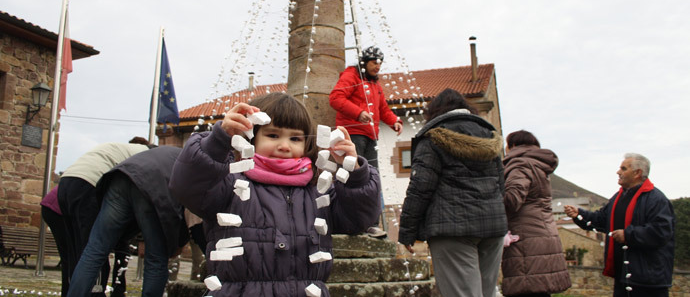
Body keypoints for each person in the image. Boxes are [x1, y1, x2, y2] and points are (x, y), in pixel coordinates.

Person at [170, 92, 381, 296]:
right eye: (272, 135)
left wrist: (356, 174)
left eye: (295, 139)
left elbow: (359, 219)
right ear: (251, 138)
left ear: (307, 144)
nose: (284, 146)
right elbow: (187, 186)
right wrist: (217, 142)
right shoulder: (229, 184)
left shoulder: (320, 191)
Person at [398, 88, 507, 297]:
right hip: (493, 229)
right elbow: (501, 185)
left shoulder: (433, 138)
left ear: (435, 111)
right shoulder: (490, 137)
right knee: (486, 293)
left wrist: (407, 232)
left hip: (452, 229)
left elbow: (420, 188)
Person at [66, 145, 189, 297]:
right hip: (153, 184)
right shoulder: (198, 165)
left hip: (121, 178)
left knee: (95, 250)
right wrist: (178, 243)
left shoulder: (173, 153)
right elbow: (181, 212)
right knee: (156, 258)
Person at [564, 153, 675, 297]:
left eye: (623, 168)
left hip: (648, 281)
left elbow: (661, 232)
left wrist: (628, 235)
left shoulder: (656, 199)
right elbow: (601, 220)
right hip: (623, 277)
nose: (618, 172)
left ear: (637, 173)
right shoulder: (618, 197)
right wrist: (579, 214)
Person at [57, 138, 150, 295]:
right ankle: (95, 293)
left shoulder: (124, 149)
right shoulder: (149, 156)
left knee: (78, 251)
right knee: (95, 251)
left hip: (66, 182)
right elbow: (143, 197)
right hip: (89, 184)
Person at [329, 45, 402, 239]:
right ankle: (349, 219)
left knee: (371, 178)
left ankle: (371, 224)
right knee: (350, 177)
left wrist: (394, 121)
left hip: (370, 136)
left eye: (380, 63)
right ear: (364, 62)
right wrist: (358, 112)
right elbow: (336, 98)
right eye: (373, 62)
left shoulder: (375, 85)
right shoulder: (352, 75)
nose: (377, 66)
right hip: (352, 135)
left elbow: (383, 109)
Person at [500, 130, 571, 297]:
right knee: (539, 289)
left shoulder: (520, 164)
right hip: (542, 235)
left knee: (527, 290)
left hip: (526, 240)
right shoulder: (537, 165)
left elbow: (512, 199)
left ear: (513, 145)